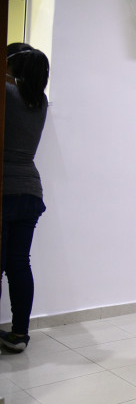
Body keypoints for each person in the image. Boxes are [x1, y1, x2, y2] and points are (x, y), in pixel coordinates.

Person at [0, 44, 49, 352]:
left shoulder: (7, 94)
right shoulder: (39, 101)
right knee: (19, 264)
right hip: (30, 191)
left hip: (5, 189)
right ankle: (19, 334)